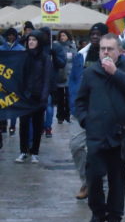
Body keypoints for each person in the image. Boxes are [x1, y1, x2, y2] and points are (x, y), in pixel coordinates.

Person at [75, 33, 125, 222]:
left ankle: (114, 218)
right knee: (94, 177)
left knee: (117, 179)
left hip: (121, 135)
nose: (105, 52)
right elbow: (80, 101)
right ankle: (97, 214)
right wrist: (86, 120)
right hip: (96, 134)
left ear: (119, 51)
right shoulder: (91, 72)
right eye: (102, 48)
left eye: (109, 49)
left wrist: (115, 73)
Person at [68, 23, 108, 200]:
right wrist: (72, 104)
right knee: (76, 146)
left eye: (98, 34)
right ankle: (87, 181)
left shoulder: (113, 57)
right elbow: (73, 81)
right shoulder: (80, 56)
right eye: (92, 33)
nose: (94, 36)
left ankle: (100, 183)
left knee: (100, 150)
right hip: (81, 110)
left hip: (103, 111)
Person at [15, 30, 52, 164]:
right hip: (25, 96)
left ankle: (35, 152)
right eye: (29, 40)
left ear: (39, 42)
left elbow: (47, 78)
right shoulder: (23, 56)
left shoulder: (44, 57)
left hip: (38, 96)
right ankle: (23, 151)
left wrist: (44, 96)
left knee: (37, 126)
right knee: (23, 125)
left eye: (34, 40)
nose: (31, 42)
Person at [1, 28, 25, 137]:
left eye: (12, 35)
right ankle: (3, 124)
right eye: (9, 35)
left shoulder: (21, 49)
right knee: (3, 103)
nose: (11, 37)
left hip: (15, 80)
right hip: (3, 79)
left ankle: (13, 125)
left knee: (14, 103)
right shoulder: (1, 48)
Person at [55, 30, 77, 124]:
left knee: (68, 96)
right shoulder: (56, 46)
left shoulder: (72, 46)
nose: (62, 37)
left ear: (68, 36)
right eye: (61, 35)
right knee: (60, 97)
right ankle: (60, 116)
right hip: (59, 74)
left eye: (64, 35)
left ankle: (68, 115)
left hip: (70, 74)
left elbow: (75, 59)